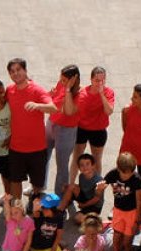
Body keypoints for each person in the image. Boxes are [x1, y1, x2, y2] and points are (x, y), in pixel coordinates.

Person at [4, 58, 57, 200]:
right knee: (15, 180)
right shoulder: (9, 90)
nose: (15, 74)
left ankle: (34, 203)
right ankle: (18, 207)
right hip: (16, 147)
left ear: (25, 71)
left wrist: (38, 105)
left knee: (37, 183)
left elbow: (53, 108)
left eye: (18, 70)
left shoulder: (37, 90)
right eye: (12, 71)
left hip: (37, 148)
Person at [73, 66, 115, 184]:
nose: (100, 83)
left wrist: (101, 94)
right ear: (91, 80)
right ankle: (71, 183)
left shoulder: (108, 92)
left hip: (98, 130)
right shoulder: (82, 92)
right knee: (77, 157)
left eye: (103, 80)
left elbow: (109, 111)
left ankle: (97, 185)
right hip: (81, 129)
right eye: (97, 80)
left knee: (96, 159)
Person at [45, 64, 81, 197]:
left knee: (62, 165)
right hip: (51, 124)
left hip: (66, 131)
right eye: (61, 79)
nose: (61, 82)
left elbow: (69, 111)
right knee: (43, 156)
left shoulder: (80, 94)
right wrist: (50, 95)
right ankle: (39, 187)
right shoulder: (61, 83)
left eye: (65, 80)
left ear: (74, 79)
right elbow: (52, 99)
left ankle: (60, 195)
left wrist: (67, 90)